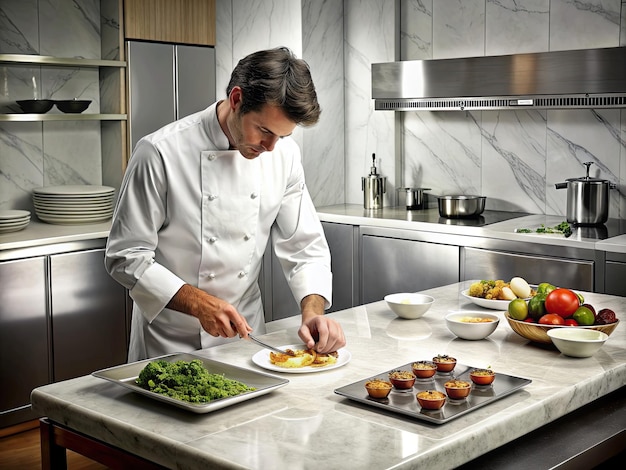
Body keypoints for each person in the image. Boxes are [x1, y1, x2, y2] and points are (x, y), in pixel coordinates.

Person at [105, 47, 346, 362]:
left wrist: (313, 312)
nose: (270, 147)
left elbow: (305, 246)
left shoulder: (283, 157)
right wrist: (199, 304)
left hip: (246, 342)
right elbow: (126, 257)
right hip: (168, 343)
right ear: (236, 100)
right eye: (264, 131)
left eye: (282, 137)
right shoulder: (159, 152)